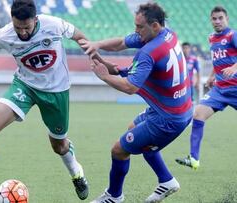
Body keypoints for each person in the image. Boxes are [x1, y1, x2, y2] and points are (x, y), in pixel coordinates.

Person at [0, 0, 90, 200]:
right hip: (25, 86)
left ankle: (76, 173)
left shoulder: (53, 24)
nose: (23, 33)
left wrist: (97, 59)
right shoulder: (5, 35)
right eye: (18, 27)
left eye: (26, 27)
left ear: (35, 20)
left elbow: (80, 37)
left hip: (56, 91)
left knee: (59, 145)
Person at [79, 3, 192, 202]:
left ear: (155, 25)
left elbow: (130, 87)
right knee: (134, 129)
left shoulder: (148, 51)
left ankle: (114, 196)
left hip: (167, 119)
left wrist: (105, 76)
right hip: (176, 108)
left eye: (140, 27)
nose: (136, 31)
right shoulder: (168, 35)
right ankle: (166, 181)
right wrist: (96, 45)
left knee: (118, 150)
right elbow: (121, 43)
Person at [175, 6, 237, 170]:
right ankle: (194, 159)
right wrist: (211, 77)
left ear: (227, 19)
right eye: (214, 18)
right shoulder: (211, 38)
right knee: (198, 114)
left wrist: (234, 68)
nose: (217, 21)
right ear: (210, 20)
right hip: (220, 90)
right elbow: (217, 59)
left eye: (220, 18)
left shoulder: (232, 35)